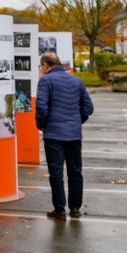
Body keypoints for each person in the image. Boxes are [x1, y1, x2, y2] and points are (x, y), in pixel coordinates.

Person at [37, 52, 94, 220]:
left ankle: (60, 210)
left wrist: (41, 124)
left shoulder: (46, 81)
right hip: (74, 135)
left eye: (41, 66)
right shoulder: (77, 81)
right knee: (75, 172)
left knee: (56, 173)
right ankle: (75, 208)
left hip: (54, 135)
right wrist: (76, 122)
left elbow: (41, 107)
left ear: (46, 65)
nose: (41, 70)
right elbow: (88, 108)